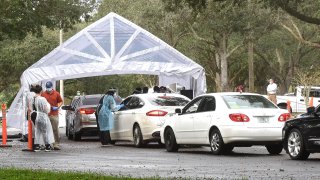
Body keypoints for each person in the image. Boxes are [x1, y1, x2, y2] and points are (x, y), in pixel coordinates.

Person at [32, 85, 55, 152]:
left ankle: (37, 146)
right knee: (45, 131)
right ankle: (47, 146)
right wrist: (49, 109)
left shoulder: (34, 98)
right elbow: (45, 109)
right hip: (43, 116)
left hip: (37, 115)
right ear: (41, 91)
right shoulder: (42, 99)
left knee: (38, 131)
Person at [41, 81, 63, 150]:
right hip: (45, 114)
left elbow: (60, 101)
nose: (48, 89)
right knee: (45, 130)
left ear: (52, 87)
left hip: (54, 114)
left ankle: (56, 144)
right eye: (47, 88)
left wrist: (58, 107)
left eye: (49, 88)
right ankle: (47, 144)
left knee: (55, 129)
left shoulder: (56, 93)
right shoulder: (43, 94)